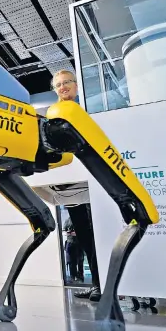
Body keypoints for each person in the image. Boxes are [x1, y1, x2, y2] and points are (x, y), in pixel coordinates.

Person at [51, 70, 101, 301]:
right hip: (69, 183)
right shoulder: (54, 116)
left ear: (76, 86)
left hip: (92, 180)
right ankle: (96, 284)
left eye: (66, 83)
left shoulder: (88, 110)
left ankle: (103, 284)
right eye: (58, 85)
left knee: (98, 234)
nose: (62, 88)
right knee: (84, 236)